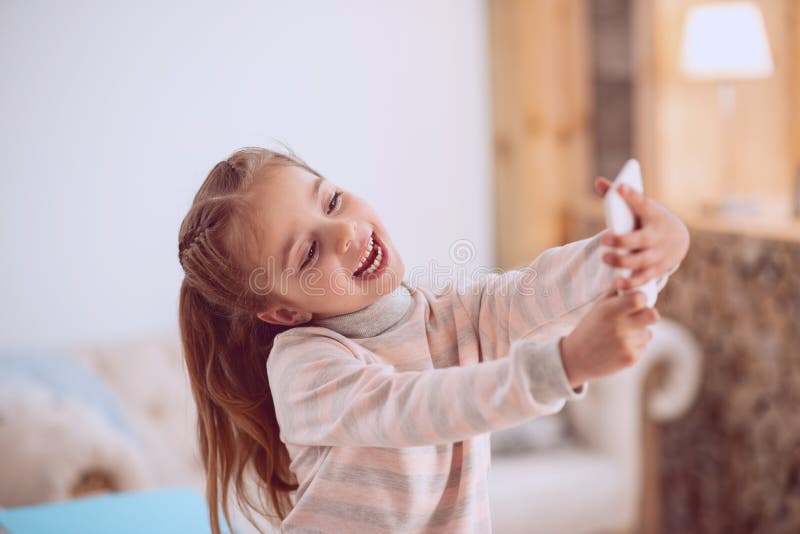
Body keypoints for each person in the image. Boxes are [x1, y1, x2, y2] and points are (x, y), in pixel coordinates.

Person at [177, 146, 689, 533]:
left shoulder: (450, 316)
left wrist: (645, 249)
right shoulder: (305, 370)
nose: (345, 234)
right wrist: (565, 364)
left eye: (332, 201)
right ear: (286, 309)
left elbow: (535, 289)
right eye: (308, 253)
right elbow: (415, 408)